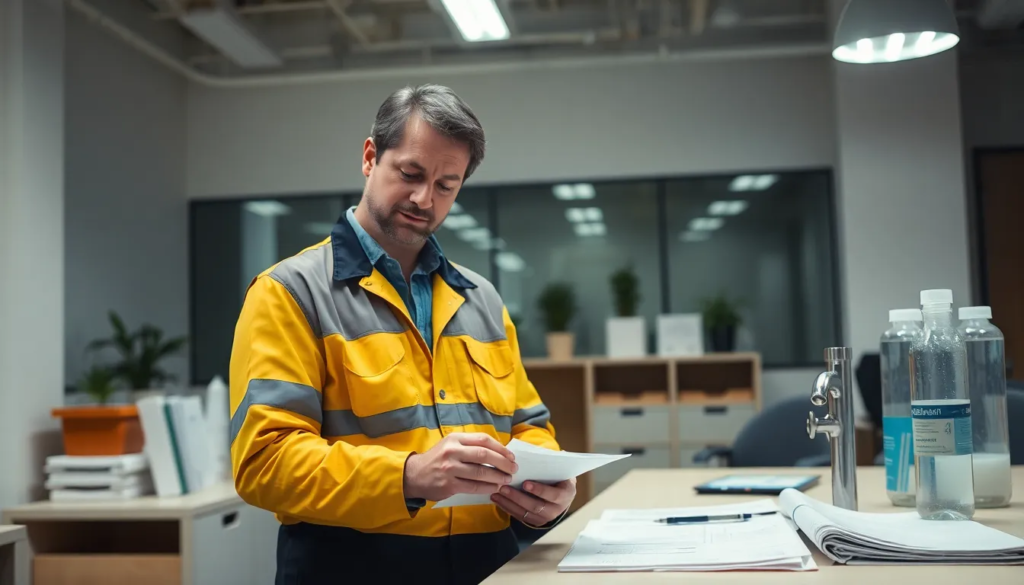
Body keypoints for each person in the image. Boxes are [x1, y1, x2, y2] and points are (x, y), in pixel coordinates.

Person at [228, 84, 575, 585]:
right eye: (410, 174)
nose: (423, 198)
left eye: (445, 185)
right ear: (371, 157)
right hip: (352, 567)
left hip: (493, 565)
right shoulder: (289, 293)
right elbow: (266, 464)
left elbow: (529, 425)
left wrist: (548, 488)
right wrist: (408, 477)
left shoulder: (482, 298)